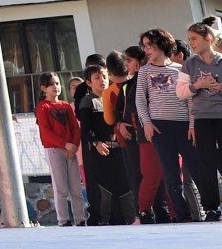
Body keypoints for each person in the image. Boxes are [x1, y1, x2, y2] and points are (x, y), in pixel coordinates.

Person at [177, 17, 222, 221]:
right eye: (189, 39)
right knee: (206, 164)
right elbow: (180, 92)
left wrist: (220, 88)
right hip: (202, 119)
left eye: (194, 38)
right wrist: (197, 85)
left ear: (207, 39)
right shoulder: (189, 65)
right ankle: (211, 210)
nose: (191, 43)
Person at [135, 28, 196, 223]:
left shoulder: (180, 69)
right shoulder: (144, 71)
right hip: (160, 127)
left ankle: (209, 209)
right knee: (170, 173)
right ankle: (182, 214)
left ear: (162, 44)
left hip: (184, 125)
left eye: (150, 45)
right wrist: (147, 123)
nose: (147, 50)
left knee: (196, 169)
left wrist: (192, 125)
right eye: (144, 46)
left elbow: (190, 100)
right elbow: (140, 101)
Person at [77, 64, 133, 225]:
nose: (102, 80)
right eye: (97, 77)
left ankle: (127, 218)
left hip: (120, 150)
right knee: (104, 187)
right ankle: (103, 219)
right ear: (89, 83)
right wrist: (96, 143)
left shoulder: (116, 96)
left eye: (103, 76)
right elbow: (85, 129)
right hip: (100, 152)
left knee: (124, 184)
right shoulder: (88, 101)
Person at [121, 45, 169, 224]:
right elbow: (128, 108)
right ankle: (143, 212)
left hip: (165, 129)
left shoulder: (158, 74)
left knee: (169, 174)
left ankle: (178, 212)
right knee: (150, 174)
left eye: (129, 60)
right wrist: (121, 123)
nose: (126, 64)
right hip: (143, 133)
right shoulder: (131, 83)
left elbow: (165, 96)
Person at [34, 73, 83, 226]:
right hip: (54, 150)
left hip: (71, 150)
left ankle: (80, 219)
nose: (55, 87)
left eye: (57, 83)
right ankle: (64, 220)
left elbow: (75, 127)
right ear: (43, 88)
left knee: (76, 187)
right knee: (61, 187)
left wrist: (74, 145)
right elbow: (46, 131)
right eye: (51, 84)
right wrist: (65, 144)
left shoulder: (66, 105)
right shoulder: (43, 107)